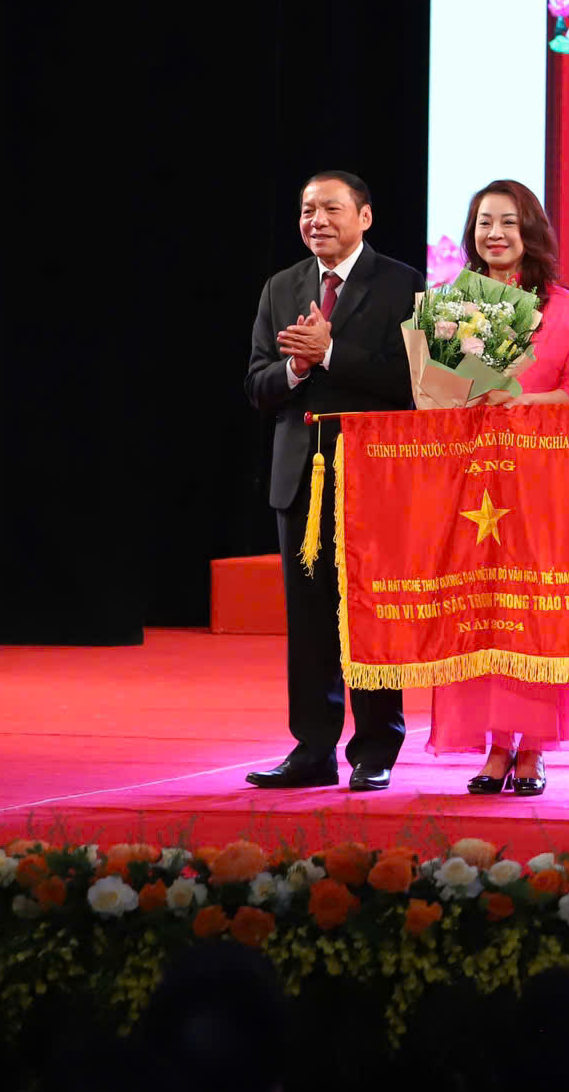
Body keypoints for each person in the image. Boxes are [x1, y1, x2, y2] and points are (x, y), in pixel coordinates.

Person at [242, 171, 423, 791]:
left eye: (330, 209)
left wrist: (332, 355)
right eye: (307, 210)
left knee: (370, 615)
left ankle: (376, 749)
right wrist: (293, 366)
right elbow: (257, 386)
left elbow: (412, 385)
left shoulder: (403, 285)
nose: (316, 220)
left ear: (364, 217)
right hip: (300, 478)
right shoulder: (281, 286)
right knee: (311, 621)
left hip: (376, 479)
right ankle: (312, 749)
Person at [428, 179, 569, 798]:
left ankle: (531, 748)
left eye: (507, 221)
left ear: (531, 229)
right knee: (477, 610)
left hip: (540, 484)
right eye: (482, 223)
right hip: (471, 483)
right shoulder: (451, 303)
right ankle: (492, 746)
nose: (494, 234)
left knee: (534, 611)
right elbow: (434, 393)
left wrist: (521, 401)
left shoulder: (562, 306)